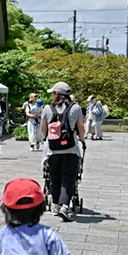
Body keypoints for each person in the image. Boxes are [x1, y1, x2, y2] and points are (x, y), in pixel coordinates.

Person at [40, 82, 85, 222]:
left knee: (54, 177)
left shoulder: (47, 109)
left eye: (52, 93)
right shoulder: (76, 108)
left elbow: (43, 129)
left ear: (56, 94)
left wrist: (45, 139)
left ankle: (55, 205)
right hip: (71, 149)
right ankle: (65, 206)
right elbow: (81, 128)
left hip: (52, 150)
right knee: (68, 178)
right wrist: (82, 139)